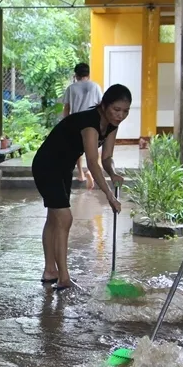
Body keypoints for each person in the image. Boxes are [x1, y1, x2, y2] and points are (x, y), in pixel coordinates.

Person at [32, 84, 130, 289]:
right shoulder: (89, 123)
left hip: (62, 168)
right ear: (104, 105)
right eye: (116, 110)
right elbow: (93, 162)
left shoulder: (112, 125)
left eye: (125, 111)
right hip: (47, 164)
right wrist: (109, 196)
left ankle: (50, 270)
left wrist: (112, 173)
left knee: (55, 218)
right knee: (64, 218)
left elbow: (107, 157)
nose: (120, 115)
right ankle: (64, 278)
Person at [61, 63, 104, 190]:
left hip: (76, 121)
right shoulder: (95, 86)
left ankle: (80, 174)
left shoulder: (71, 88)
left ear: (76, 75)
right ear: (88, 74)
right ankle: (91, 172)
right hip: (92, 121)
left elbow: (66, 108)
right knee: (95, 149)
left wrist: (65, 123)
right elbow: (101, 106)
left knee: (77, 149)